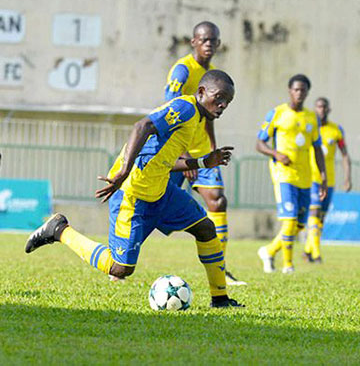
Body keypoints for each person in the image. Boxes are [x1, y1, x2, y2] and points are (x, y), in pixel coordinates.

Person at [26, 70, 244, 308]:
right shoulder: (186, 108)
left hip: (161, 192)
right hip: (133, 193)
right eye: (219, 97)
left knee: (205, 228)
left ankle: (220, 299)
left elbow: (163, 160)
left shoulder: (198, 119)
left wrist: (203, 162)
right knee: (120, 268)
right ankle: (59, 230)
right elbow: (143, 126)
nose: (223, 105)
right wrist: (123, 171)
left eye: (228, 102)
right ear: (201, 92)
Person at [165, 21, 244, 286]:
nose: (209, 44)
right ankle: (119, 259)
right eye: (205, 39)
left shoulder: (212, 75)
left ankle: (221, 268)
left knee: (218, 202)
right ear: (193, 42)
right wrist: (185, 154)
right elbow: (169, 109)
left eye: (214, 40)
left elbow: (209, 115)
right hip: (178, 151)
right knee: (152, 204)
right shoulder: (182, 70)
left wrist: (212, 148)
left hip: (202, 151)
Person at [256, 74, 327, 274]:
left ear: (307, 92)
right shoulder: (277, 113)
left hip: (305, 178)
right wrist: (275, 153)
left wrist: (323, 177)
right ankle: (288, 265)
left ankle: (269, 251)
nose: (299, 93)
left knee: (299, 225)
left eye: (303, 90)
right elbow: (259, 143)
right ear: (290, 90)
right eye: (296, 89)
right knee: (289, 221)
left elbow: (318, 148)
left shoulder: (312, 117)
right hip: (284, 176)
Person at [303, 97, 352, 262]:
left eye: (324, 107)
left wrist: (347, 178)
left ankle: (308, 249)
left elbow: (345, 155)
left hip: (329, 180)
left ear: (328, 109)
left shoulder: (336, 130)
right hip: (312, 178)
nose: (321, 110)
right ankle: (316, 254)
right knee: (314, 212)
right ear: (314, 109)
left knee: (321, 217)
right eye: (318, 107)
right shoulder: (310, 128)